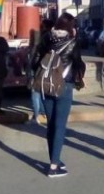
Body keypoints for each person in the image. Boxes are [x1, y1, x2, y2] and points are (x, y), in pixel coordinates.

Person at [31, 12, 86, 178]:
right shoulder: (72, 42)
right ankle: (54, 167)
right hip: (64, 86)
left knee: (51, 125)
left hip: (46, 86)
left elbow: (35, 61)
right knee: (60, 126)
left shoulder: (47, 38)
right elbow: (78, 63)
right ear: (70, 27)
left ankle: (54, 160)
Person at [26, 19, 54, 124]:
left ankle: (35, 116)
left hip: (37, 68)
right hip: (46, 68)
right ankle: (43, 112)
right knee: (42, 92)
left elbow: (35, 56)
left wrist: (31, 67)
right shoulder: (52, 38)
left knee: (35, 92)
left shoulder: (42, 39)